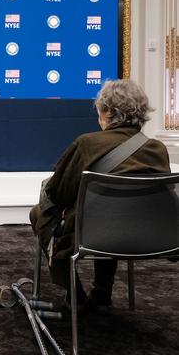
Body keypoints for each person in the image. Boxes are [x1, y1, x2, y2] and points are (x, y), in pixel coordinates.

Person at [30, 79, 169, 309]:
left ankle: (75, 296)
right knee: (114, 214)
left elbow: (58, 193)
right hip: (147, 236)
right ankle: (102, 293)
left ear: (106, 111)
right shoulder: (157, 149)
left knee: (40, 214)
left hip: (93, 233)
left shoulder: (87, 144)